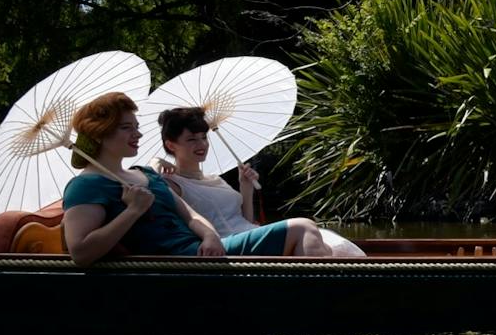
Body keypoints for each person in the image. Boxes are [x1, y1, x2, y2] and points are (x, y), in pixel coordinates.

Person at [58, 93, 325, 265]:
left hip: (202, 252)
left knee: (307, 228)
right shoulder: (87, 185)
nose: (137, 134)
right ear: (100, 134)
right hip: (178, 266)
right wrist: (133, 211)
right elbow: (80, 253)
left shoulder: (145, 174)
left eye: (136, 127)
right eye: (127, 128)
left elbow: (190, 215)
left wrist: (209, 235)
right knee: (302, 227)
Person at [155, 107, 364, 257]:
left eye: (204, 137)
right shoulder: (172, 183)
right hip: (223, 243)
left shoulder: (215, 179)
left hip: (248, 235)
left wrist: (245, 187)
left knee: (332, 242)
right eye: (192, 139)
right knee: (303, 225)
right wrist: (156, 162)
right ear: (171, 145)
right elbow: (149, 181)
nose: (201, 144)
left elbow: (245, 219)